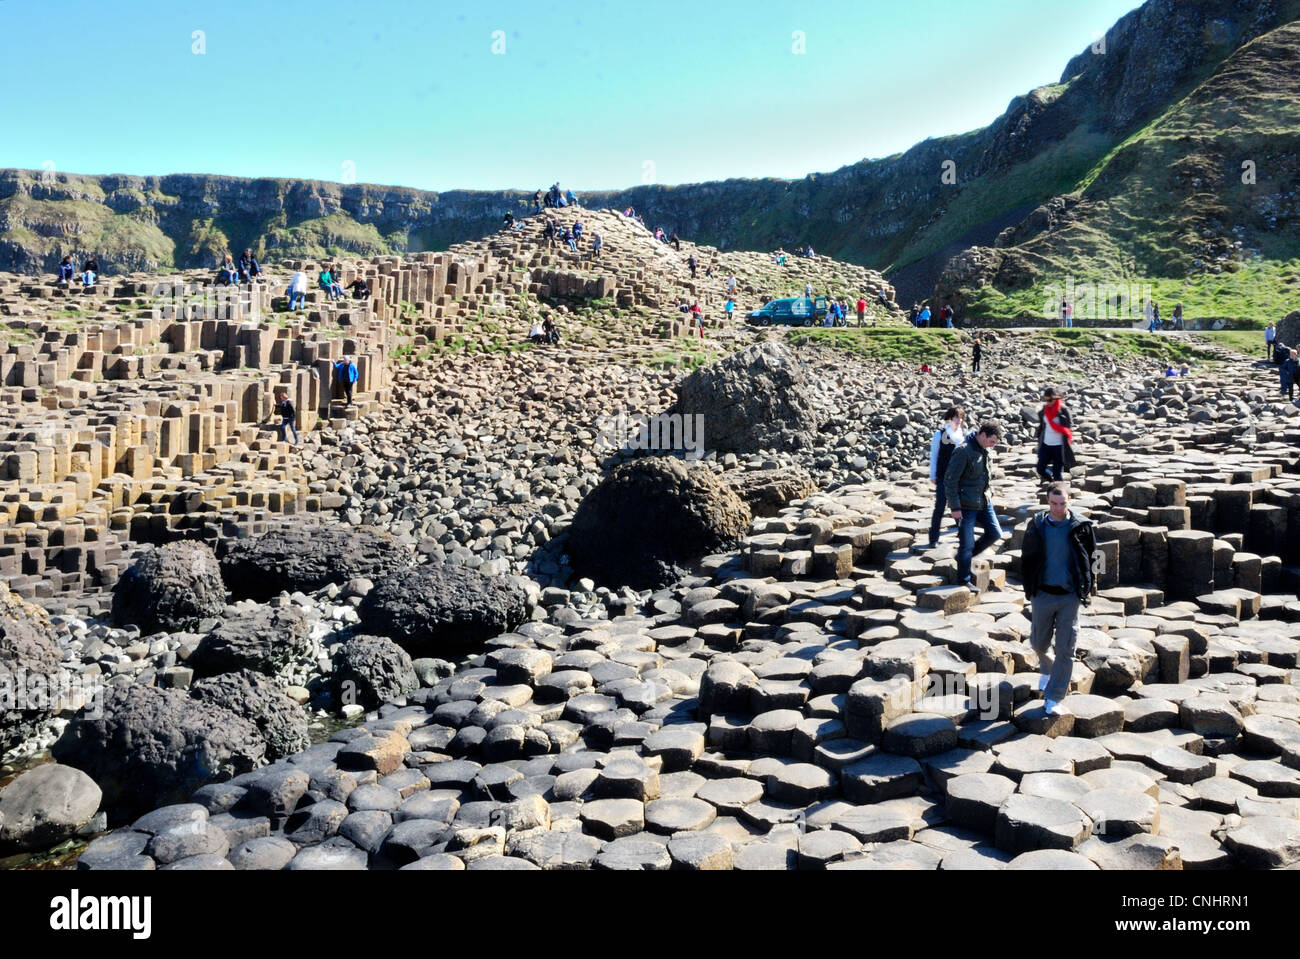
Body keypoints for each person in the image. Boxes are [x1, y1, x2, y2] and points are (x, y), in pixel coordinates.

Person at [1021, 484, 1097, 715]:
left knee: (1066, 649)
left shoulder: (1081, 527)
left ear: (1069, 500)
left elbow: (1094, 557)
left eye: (1062, 503)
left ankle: (1053, 697)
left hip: (1069, 596)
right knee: (1038, 643)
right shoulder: (1036, 526)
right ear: (1047, 501)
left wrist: (1090, 586)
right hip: (1042, 594)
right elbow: (1026, 558)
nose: (1058, 508)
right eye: (1053, 503)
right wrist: (1029, 589)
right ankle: (1046, 667)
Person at [944, 421, 1004, 589]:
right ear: (982, 435)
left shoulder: (985, 449)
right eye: (992, 441)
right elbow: (950, 481)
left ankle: (963, 558)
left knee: (995, 533)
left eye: (995, 443)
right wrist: (955, 507)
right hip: (965, 506)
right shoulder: (963, 451)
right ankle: (963, 580)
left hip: (984, 502)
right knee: (967, 544)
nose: (993, 445)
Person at [927, 406, 967, 548]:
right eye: (956, 417)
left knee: (960, 506)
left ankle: (963, 534)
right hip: (943, 476)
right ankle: (933, 538)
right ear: (949, 418)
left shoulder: (964, 435)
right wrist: (933, 474)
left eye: (961, 418)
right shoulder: (940, 434)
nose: (959, 420)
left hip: (960, 478)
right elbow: (934, 456)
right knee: (940, 506)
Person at [1036, 386, 1076, 483]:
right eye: (1046, 400)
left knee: (1057, 473)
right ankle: (1051, 481)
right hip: (1046, 443)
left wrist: (1061, 429)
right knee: (1040, 468)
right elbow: (1042, 425)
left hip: (1059, 445)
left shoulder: (1063, 410)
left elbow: (1069, 425)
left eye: (1050, 400)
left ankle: (1059, 491)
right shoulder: (1044, 410)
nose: (1048, 402)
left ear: (1056, 398)